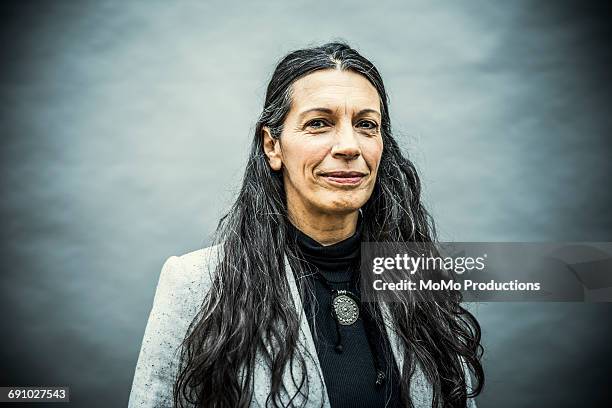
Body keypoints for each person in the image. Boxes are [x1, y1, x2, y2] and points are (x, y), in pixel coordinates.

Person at [128, 41, 484, 408]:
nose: (349, 145)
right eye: (319, 123)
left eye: (366, 125)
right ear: (272, 146)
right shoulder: (196, 284)